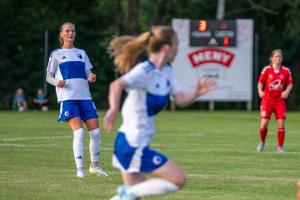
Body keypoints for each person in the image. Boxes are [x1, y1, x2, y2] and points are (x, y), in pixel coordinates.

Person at [103, 26, 215, 200]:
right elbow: (116, 85)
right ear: (166, 48)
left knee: (133, 198)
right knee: (178, 179)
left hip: (132, 142)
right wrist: (113, 109)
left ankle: (127, 194)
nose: (178, 49)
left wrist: (197, 93)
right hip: (132, 143)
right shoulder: (144, 70)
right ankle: (126, 193)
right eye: (177, 44)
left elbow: (180, 100)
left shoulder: (167, 71)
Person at [46, 22, 108, 177]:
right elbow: (49, 77)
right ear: (61, 34)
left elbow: (88, 73)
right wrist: (57, 83)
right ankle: (80, 169)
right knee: (79, 133)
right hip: (68, 99)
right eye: (67, 31)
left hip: (85, 98)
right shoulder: (56, 54)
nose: (70, 33)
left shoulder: (81, 53)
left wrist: (91, 76)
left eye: (73, 31)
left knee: (96, 134)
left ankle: (95, 166)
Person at [256, 49, 293, 153]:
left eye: (280, 56)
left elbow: (290, 84)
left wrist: (287, 91)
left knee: (281, 123)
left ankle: (280, 147)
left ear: (282, 58)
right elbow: (260, 82)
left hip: (279, 101)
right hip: (267, 100)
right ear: (271, 58)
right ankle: (262, 142)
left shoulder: (286, 70)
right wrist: (260, 90)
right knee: (264, 124)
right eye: (276, 56)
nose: (278, 58)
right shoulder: (266, 70)